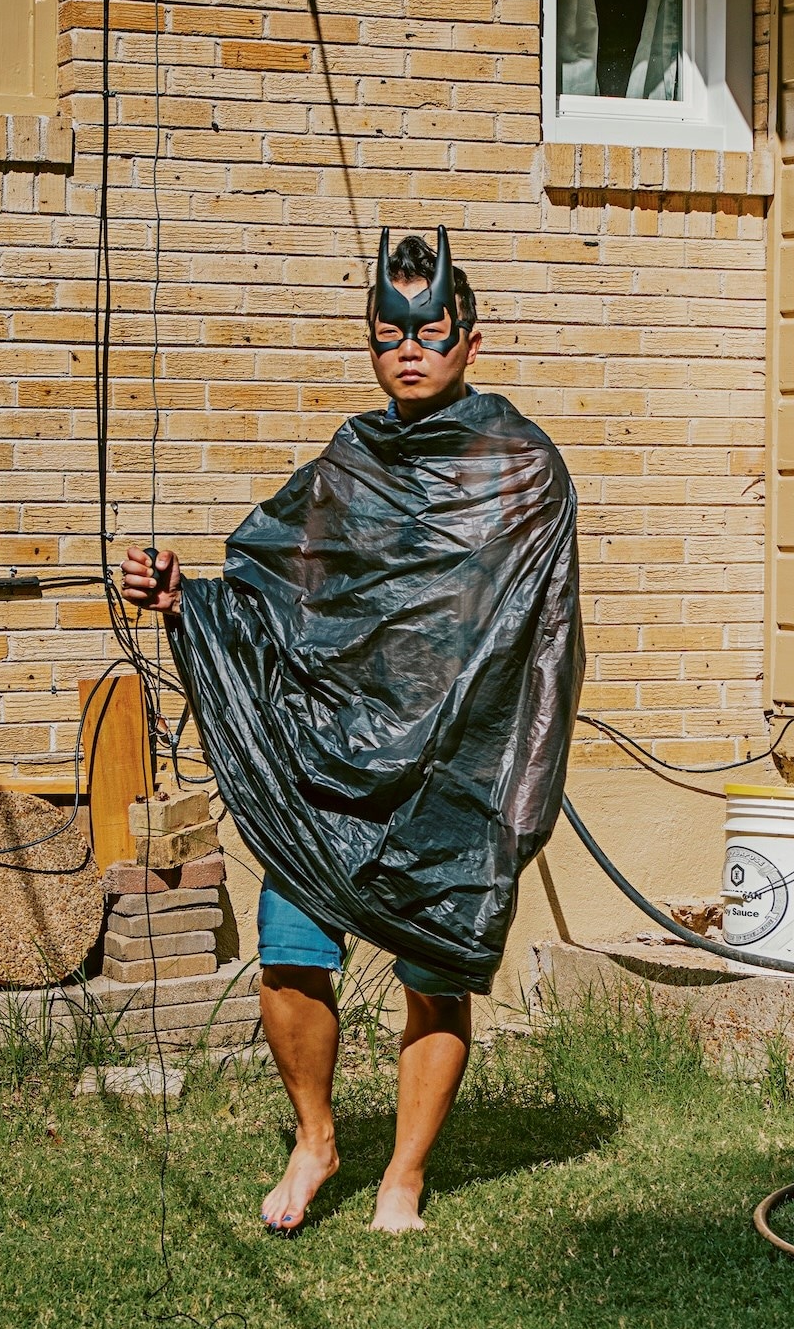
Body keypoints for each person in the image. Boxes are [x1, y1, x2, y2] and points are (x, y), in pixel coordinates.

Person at [120, 230, 582, 1236]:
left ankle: (404, 1178)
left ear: (469, 338)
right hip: (332, 760)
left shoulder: (523, 471)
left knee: (436, 976)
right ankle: (317, 1137)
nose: (408, 350)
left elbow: (547, 639)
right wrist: (180, 599)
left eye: (429, 331)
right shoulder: (348, 464)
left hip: (456, 771)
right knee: (290, 952)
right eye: (387, 336)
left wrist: (523, 789)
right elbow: (274, 590)